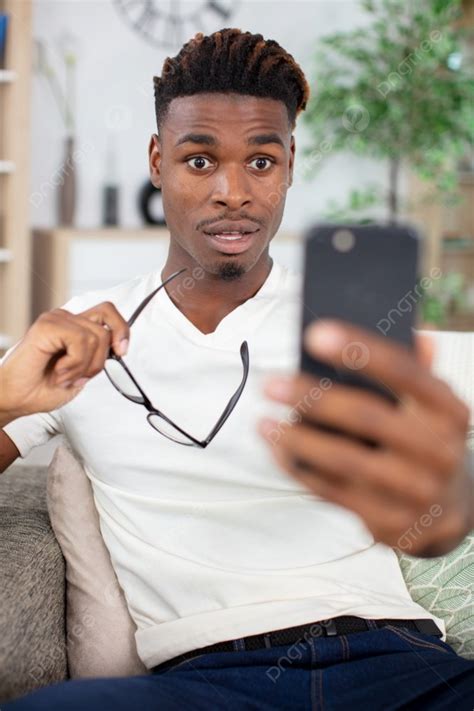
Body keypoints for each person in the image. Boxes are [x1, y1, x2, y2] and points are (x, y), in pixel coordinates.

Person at [0, 28, 473, 710]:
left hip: (400, 661)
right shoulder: (80, 335)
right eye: (199, 161)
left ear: (288, 165)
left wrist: (452, 490)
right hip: (208, 684)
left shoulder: (347, 324)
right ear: (158, 161)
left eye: (260, 161)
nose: (232, 191)